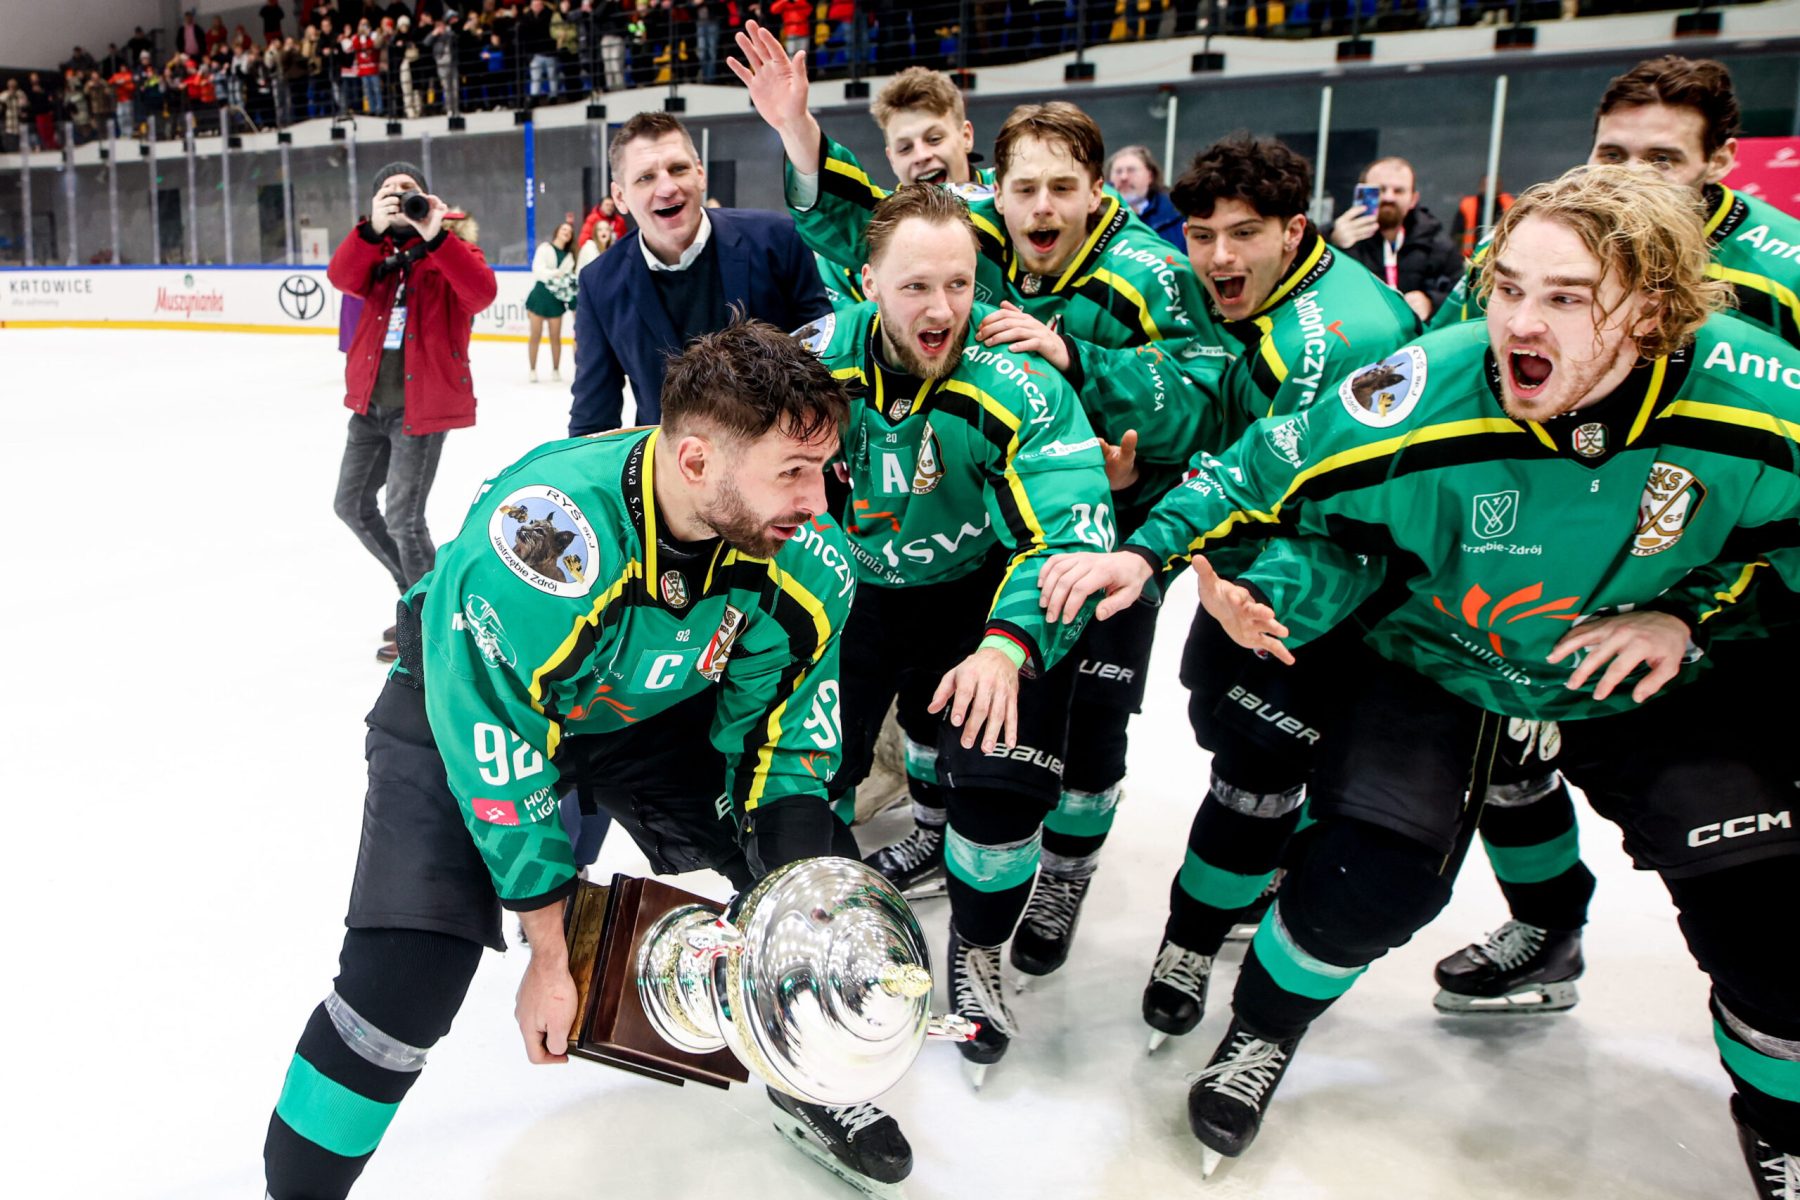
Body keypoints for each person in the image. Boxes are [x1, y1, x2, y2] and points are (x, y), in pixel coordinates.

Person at [1036, 164, 1800, 1193]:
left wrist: (1689, 613)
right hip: (1442, 655)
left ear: (1654, 313)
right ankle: (1261, 1030)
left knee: (1770, 927)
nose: (1519, 322)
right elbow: (1253, 473)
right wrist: (1149, 557)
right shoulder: (1424, 386)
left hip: (1638, 665)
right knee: (1364, 886)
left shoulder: (1760, 395)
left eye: (1566, 298)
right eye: (1509, 287)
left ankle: (1782, 1127)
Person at [263, 318, 919, 1199]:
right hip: (463, 700)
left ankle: (799, 1064)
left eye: (823, 468)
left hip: (643, 712)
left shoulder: (804, 556)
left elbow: (782, 737)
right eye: (793, 473)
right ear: (697, 461)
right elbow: (496, 741)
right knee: (403, 986)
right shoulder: (545, 531)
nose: (817, 502)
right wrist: (551, 942)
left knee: (809, 881)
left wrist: (793, 902)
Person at [737, 25, 1234, 973]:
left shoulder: (1152, 273)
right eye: (1024, 188)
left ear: (1100, 190)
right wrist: (798, 133)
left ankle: (1066, 873)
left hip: (1120, 529)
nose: (1042, 207)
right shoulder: (972, 234)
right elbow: (874, 231)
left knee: (1090, 722)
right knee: (943, 714)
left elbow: (1206, 398)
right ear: (994, 191)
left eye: (1063, 188)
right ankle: (948, 838)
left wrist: (1080, 363)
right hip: (999, 528)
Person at [1424, 54, 1800, 1019]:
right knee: (1511, 760)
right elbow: (1459, 396)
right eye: (1610, 152)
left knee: (1740, 863)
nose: (1630, 177)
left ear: (1719, 162)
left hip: (1726, 610)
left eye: (1662, 158)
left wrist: (1692, 613)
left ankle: (1767, 1019)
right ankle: (1546, 930)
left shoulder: (1783, 275)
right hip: (1542, 579)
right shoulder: (1537, 254)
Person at [801, 183, 1115, 1083]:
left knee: (1000, 795)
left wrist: (1007, 647)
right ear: (866, 284)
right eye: (914, 287)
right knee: (809, 775)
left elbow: (1072, 533)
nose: (942, 310)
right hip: (850, 595)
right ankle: (837, 938)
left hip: (979, 602)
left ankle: (975, 952)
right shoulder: (810, 363)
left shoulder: (1021, 382)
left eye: (960, 284)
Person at [1134, 133, 1421, 1052]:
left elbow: (1352, 523)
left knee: (1264, 773)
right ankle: (1223, 905)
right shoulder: (1238, 295)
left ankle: (1198, 948)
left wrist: (1258, 592)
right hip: (1240, 572)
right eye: (1202, 234)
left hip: (1323, 597)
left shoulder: (1354, 336)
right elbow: (1215, 428)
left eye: (1244, 233)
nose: (1219, 255)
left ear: (1295, 230)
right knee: (1224, 732)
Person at [568, 111, 831, 434]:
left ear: (700, 175)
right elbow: (593, 419)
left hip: (777, 454)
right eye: (645, 177)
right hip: (671, 463)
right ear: (620, 197)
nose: (667, 187)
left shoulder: (778, 241)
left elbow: (826, 364)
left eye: (678, 169)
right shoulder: (599, 283)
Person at [329, 162, 497, 662]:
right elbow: (341, 278)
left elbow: (481, 292)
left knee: (404, 519)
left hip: (419, 411)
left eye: (409, 190)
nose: (400, 196)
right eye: (389, 191)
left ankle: (429, 626)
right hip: (370, 406)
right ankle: (417, 600)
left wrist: (435, 236)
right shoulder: (375, 253)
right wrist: (370, 231)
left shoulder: (449, 248)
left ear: (428, 198)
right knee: (351, 504)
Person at [1326, 155, 1460, 322]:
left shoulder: (1436, 242)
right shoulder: (1335, 235)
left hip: (1414, 335)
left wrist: (1431, 302)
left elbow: (1462, 293)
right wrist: (1332, 245)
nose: (1389, 197)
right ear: (1361, 193)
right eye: (1381, 190)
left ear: (1413, 200)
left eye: (1399, 191)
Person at [526, 218, 577, 381]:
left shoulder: (569, 257)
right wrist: (555, 274)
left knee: (555, 336)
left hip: (556, 299)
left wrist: (556, 276)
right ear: (557, 232)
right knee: (535, 335)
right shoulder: (544, 248)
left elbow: (567, 278)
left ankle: (556, 370)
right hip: (540, 296)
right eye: (564, 229)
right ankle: (532, 370)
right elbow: (538, 270)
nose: (566, 233)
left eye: (569, 232)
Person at [1107, 143, 1184, 249]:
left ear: (1150, 176)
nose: (1123, 177)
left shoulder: (1175, 215)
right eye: (1118, 171)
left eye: (1131, 170)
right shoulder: (1098, 216)